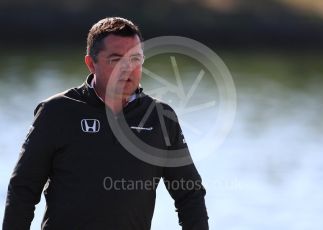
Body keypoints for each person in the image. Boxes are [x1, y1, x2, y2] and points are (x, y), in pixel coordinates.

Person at [2, 17, 209, 230]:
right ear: (91, 64)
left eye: (135, 59)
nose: (128, 69)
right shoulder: (56, 112)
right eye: (116, 59)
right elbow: (22, 190)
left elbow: (189, 194)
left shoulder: (161, 117)